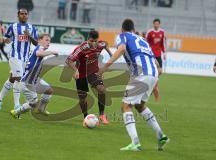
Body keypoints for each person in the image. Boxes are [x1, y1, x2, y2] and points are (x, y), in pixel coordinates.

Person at [98, 19, 169, 151]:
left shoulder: (123, 36)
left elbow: (122, 49)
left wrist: (104, 68)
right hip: (153, 74)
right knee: (140, 106)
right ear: (133, 28)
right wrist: (155, 83)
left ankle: (135, 143)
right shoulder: (143, 40)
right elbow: (158, 66)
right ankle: (161, 135)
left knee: (125, 106)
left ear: (122, 29)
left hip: (140, 73)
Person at [0, 8, 38, 111]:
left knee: (12, 78)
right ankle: (17, 105)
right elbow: (6, 38)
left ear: (28, 15)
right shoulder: (12, 26)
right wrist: (7, 40)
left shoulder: (32, 28)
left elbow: (36, 43)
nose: (24, 15)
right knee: (19, 78)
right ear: (18, 15)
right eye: (21, 14)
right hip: (14, 56)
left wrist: (29, 35)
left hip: (25, 58)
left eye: (25, 14)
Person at [65, 30, 112, 124]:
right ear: (87, 40)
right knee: (83, 98)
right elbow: (68, 60)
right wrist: (76, 70)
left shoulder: (100, 44)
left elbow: (105, 44)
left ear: (97, 40)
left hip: (94, 72)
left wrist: (111, 54)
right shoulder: (81, 48)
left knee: (101, 90)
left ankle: (102, 115)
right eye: (91, 41)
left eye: (95, 41)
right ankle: (86, 117)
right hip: (81, 74)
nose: (93, 43)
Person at [10, 34, 58, 118]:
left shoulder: (39, 48)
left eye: (49, 41)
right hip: (27, 82)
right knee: (34, 103)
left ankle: (41, 109)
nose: (48, 42)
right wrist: (52, 52)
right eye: (46, 40)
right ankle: (16, 112)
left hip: (34, 80)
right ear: (39, 40)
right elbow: (39, 53)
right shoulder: (40, 48)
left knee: (49, 90)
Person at [146, 18, 166, 102]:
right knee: (152, 71)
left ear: (159, 24)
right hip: (151, 55)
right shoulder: (150, 32)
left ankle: (152, 83)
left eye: (157, 24)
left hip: (158, 54)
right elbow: (146, 43)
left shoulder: (162, 32)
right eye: (155, 24)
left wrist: (164, 54)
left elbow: (163, 44)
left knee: (160, 71)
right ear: (153, 24)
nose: (156, 25)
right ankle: (153, 85)